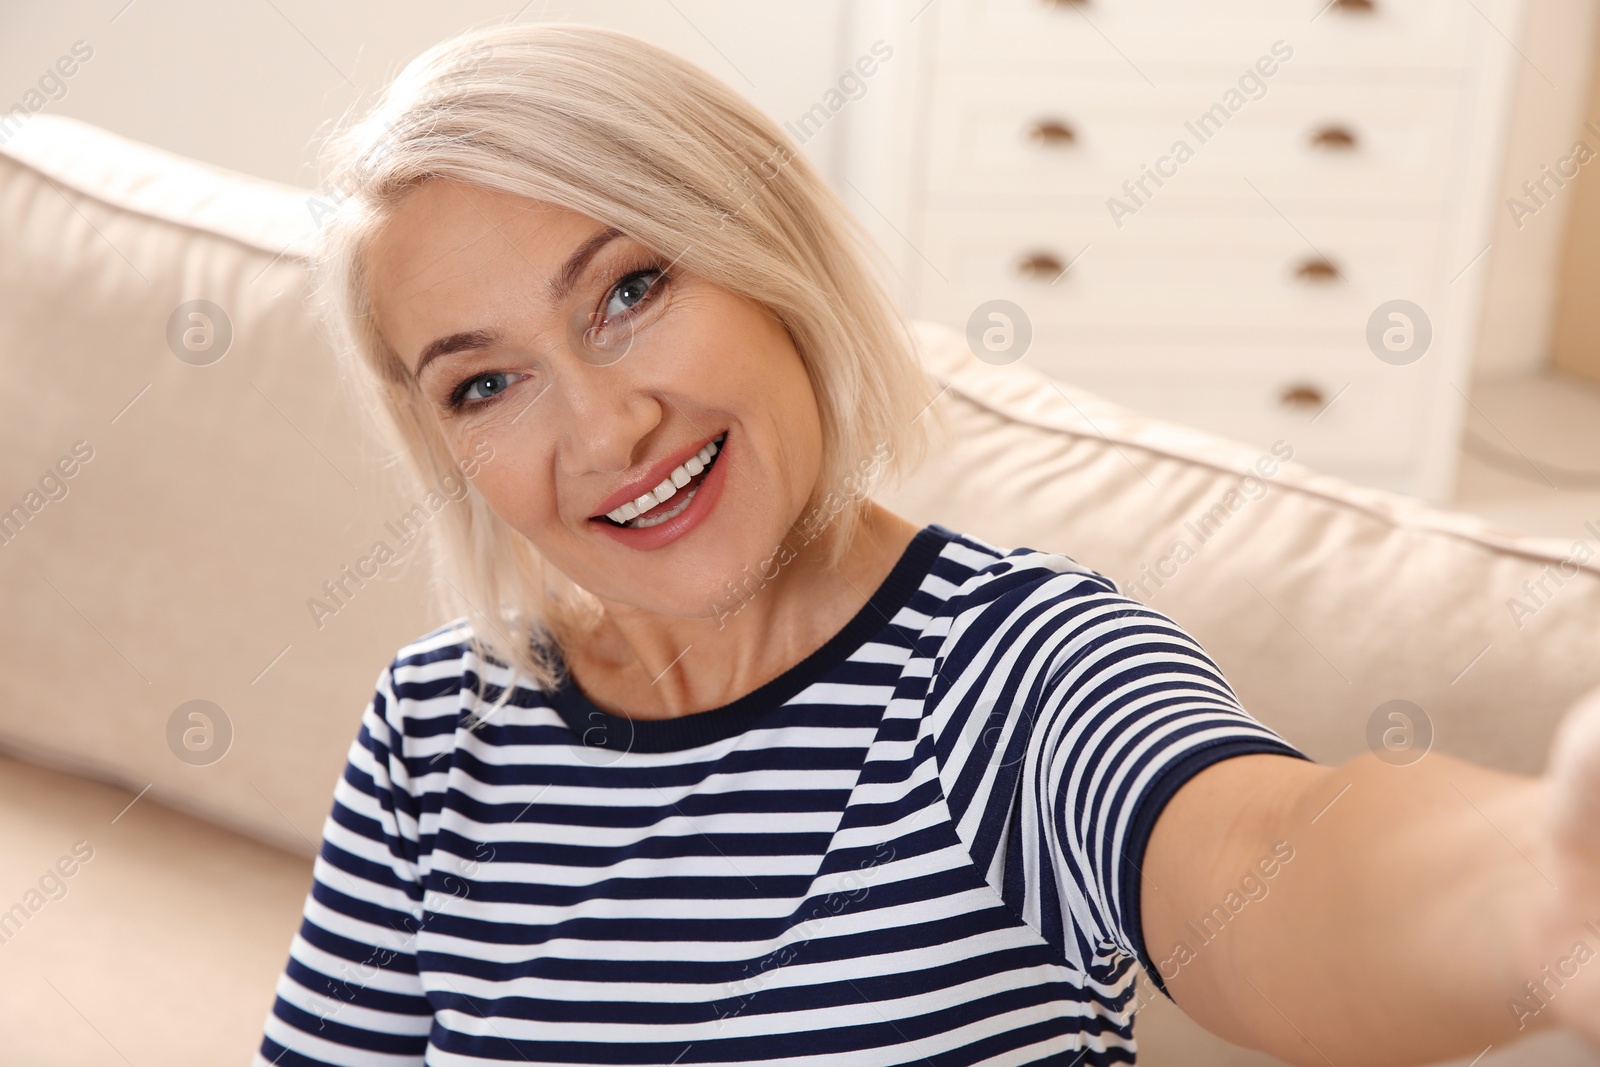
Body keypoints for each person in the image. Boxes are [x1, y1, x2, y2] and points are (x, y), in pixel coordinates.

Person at [254, 21, 1600, 1067]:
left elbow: (1264, 855)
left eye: (631, 289)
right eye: (485, 383)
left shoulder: (1014, 673)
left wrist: (1537, 897)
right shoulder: (436, 730)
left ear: (764, 250)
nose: (606, 431)